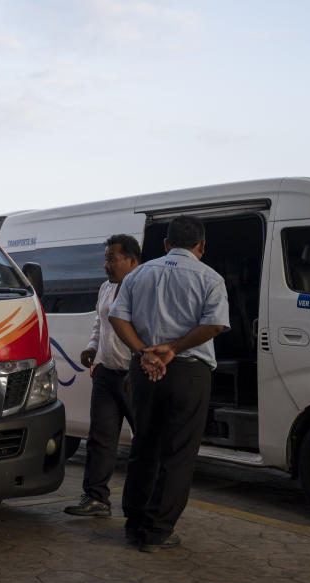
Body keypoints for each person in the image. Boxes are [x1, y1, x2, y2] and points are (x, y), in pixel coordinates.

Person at [108, 215, 229, 552]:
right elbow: (216, 325)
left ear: (165, 244)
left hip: (144, 370)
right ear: (202, 246)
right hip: (188, 372)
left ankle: (134, 525)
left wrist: (143, 353)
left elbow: (117, 316)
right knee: (178, 454)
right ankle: (157, 531)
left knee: (144, 447)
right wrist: (173, 349)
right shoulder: (210, 278)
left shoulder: (140, 274)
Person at [64, 235, 140, 517]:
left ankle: (143, 503)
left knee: (144, 441)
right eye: (106, 258)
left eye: (112, 259)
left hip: (135, 376)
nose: (106, 265)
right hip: (106, 374)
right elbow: (99, 323)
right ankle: (96, 498)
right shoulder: (106, 288)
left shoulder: (144, 289)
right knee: (100, 438)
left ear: (132, 261)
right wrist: (91, 348)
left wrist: (139, 364)